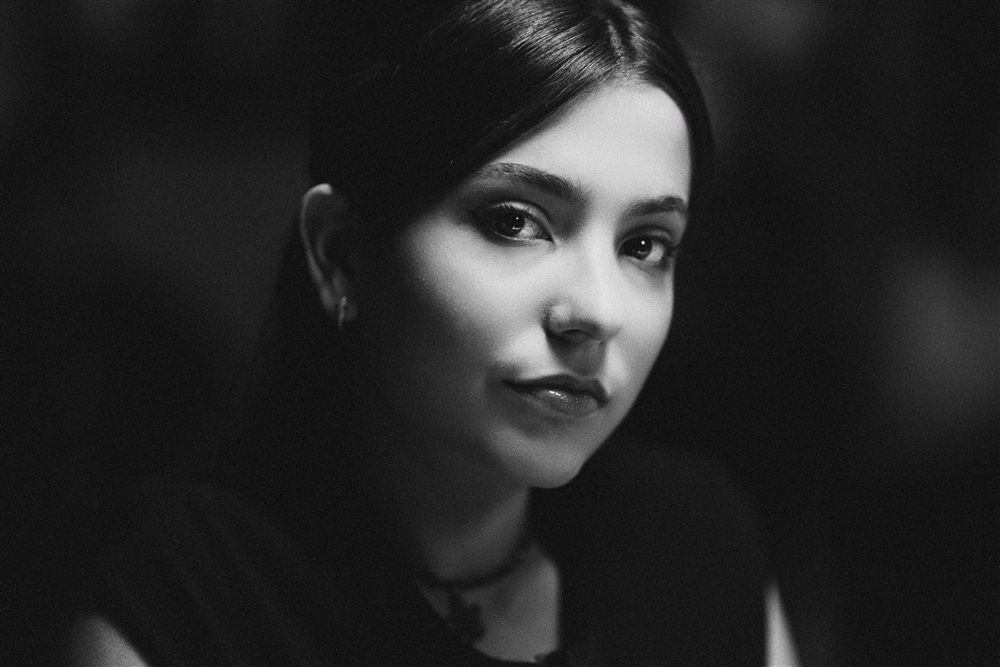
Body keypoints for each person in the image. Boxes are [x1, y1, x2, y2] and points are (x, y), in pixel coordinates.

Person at [66, 1, 798, 664]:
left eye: (644, 245)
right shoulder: (194, 593)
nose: (598, 311)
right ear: (343, 254)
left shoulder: (694, 546)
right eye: (515, 222)